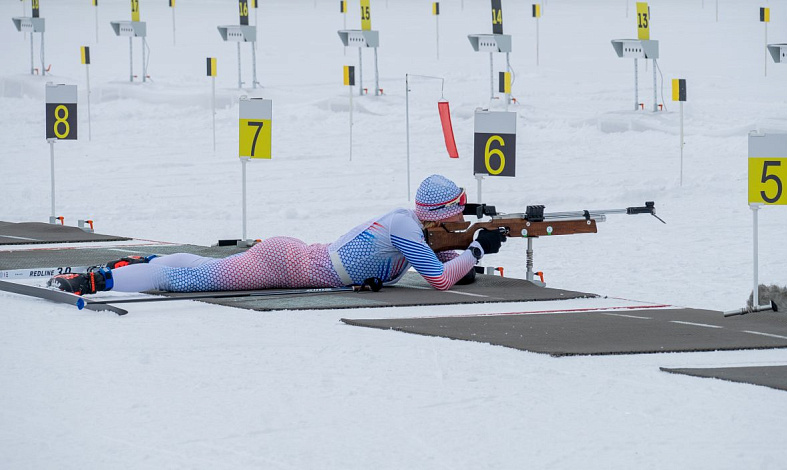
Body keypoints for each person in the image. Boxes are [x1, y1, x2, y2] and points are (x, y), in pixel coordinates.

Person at [48, 174, 507, 295]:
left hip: (295, 259)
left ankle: (126, 269)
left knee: (207, 269)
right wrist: (475, 249)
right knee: (189, 282)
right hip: (288, 264)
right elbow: (441, 279)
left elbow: (440, 266)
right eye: (456, 214)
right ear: (442, 214)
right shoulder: (408, 228)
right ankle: (100, 283)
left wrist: (468, 252)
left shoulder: (411, 224)